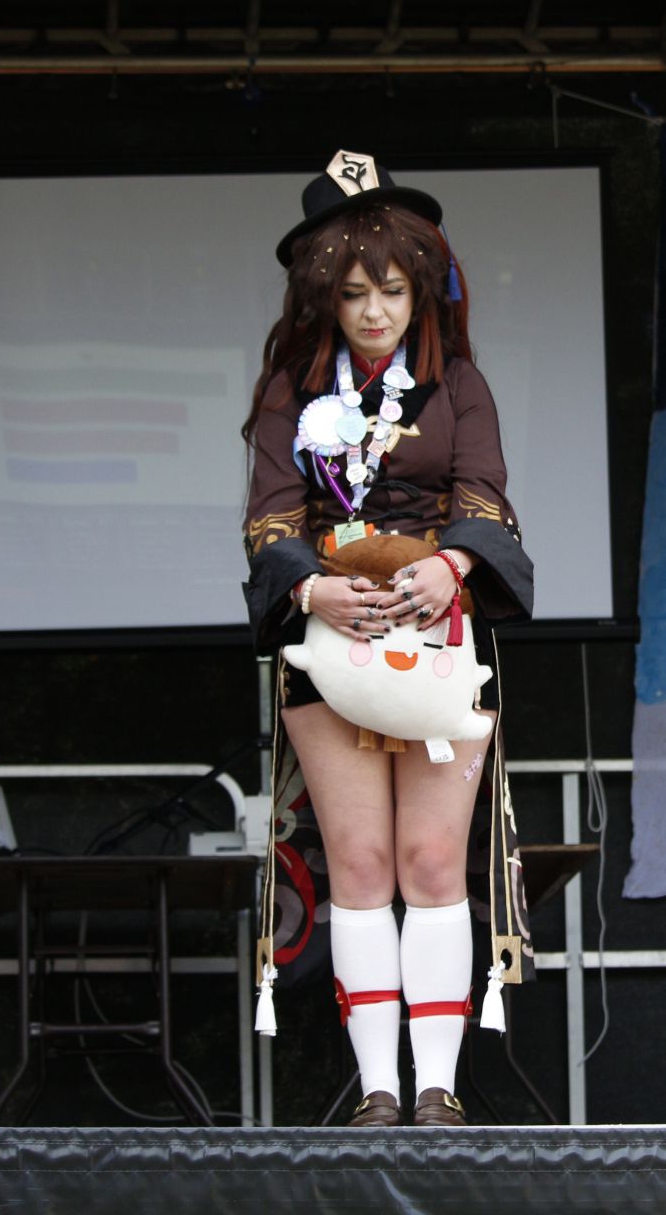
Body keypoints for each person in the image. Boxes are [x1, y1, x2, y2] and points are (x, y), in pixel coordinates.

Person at [242, 150, 533, 1128]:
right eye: (354, 292)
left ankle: (438, 1089)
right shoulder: (288, 388)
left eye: (394, 290)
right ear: (323, 296)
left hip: (440, 638)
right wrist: (314, 587)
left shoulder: (461, 385)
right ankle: (378, 1090)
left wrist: (452, 565)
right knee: (360, 865)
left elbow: (486, 499)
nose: (375, 311)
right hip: (329, 644)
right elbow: (268, 520)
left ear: (422, 291)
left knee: (434, 862)